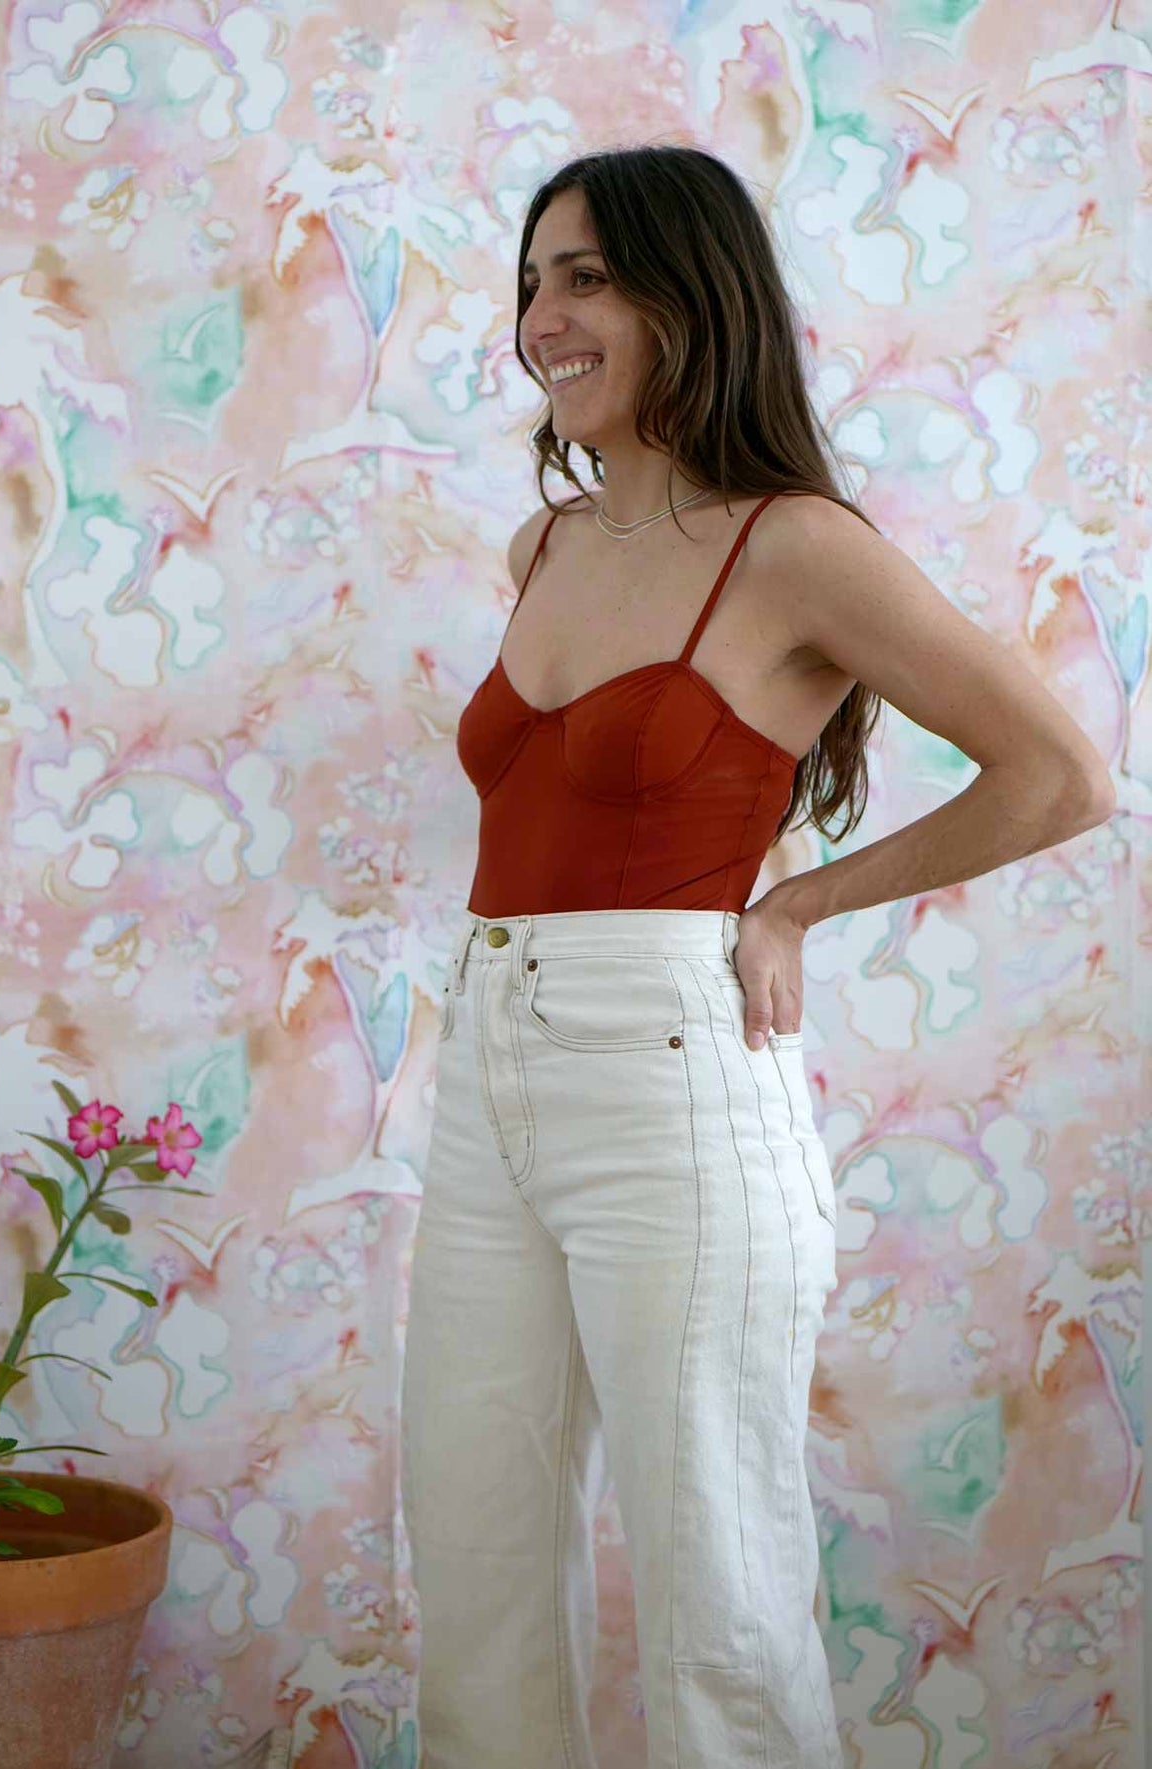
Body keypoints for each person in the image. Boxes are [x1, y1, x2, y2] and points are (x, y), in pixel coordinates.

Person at [398, 144, 1115, 1769]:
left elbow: (1060, 775)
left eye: (585, 277)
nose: (543, 316)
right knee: (476, 1542)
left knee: (716, 1590)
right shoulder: (547, 549)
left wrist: (794, 902)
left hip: (670, 1079)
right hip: (490, 1052)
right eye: (531, 280)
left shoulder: (791, 545)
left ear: (687, 294)